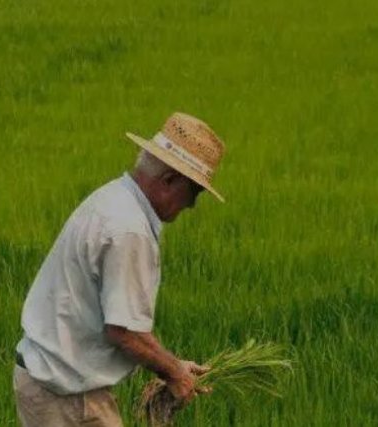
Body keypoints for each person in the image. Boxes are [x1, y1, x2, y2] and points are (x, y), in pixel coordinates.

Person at [14, 112, 226, 426]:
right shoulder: (129, 229)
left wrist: (173, 366)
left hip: (52, 384)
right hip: (68, 400)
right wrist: (173, 373)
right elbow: (124, 332)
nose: (192, 205)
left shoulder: (116, 198)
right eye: (193, 192)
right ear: (169, 180)